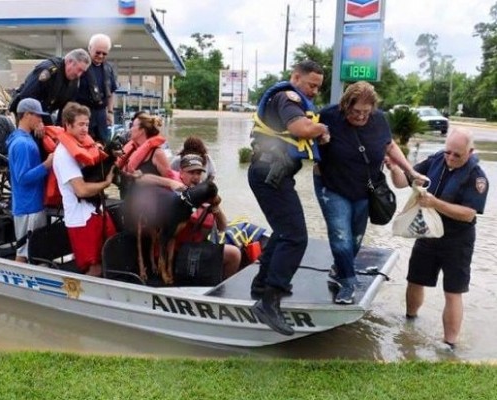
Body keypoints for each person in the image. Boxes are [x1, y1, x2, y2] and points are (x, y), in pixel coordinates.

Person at [314, 81, 427, 305]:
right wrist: (319, 141)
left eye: (366, 112)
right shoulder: (328, 115)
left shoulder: (378, 119)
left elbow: (389, 145)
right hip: (332, 186)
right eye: (356, 111)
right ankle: (347, 282)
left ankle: (340, 268)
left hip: (365, 188)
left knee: (355, 238)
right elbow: (305, 136)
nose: (361, 117)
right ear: (346, 106)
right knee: (341, 237)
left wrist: (410, 170)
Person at [247, 60, 330, 335]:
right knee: (295, 236)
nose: (315, 91)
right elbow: (301, 130)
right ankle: (269, 301)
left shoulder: (293, 99)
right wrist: (322, 129)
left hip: (272, 173)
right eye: (311, 85)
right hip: (269, 172)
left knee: (284, 232)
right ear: (296, 77)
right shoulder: (288, 98)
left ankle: (262, 284)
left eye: (318, 86)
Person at [389, 128, 488, 350]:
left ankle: (449, 345)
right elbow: (403, 182)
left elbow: (468, 213)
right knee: (414, 279)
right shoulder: (435, 161)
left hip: (458, 240)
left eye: (457, 155)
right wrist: (395, 168)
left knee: (453, 291)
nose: (451, 158)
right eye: (448, 152)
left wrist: (436, 204)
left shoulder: (477, 177)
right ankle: (410, 321)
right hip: (428, 233)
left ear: (470, 152)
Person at [136, 154, 241, 280]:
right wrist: (170, 182)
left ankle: (219, 288)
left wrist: (216, 209)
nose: (196, 177)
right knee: (233, 254)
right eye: (191, 172)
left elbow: (223, 227)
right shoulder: (173, 185)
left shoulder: (203, 192)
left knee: (236, 252)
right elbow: (140, 179)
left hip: (197, 247)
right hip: (177, 251)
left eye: (198, 173)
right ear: (181, 173)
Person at [52, 102, 116, 276]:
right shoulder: (64, 154)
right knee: (94, 267)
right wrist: (106, 183)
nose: (85, 129)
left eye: (87, 124)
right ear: (68, 124)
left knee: (110, 258)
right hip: (81, 217)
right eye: (80, 124)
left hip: (96, 210)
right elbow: (80, 190)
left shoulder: (84, 146)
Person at [6, 98, 54, 263]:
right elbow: (22, 177)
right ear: (26, 115)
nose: (41, 120)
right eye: (38, 116)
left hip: (28, 204)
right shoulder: (22, 144)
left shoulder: (22, 139)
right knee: (25, 252)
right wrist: (46, 165)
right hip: (29, 206)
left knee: (26, 250)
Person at [9, 48, 91, 124]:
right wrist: (38, 121)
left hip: (45, 113)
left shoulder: (74, 82)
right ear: (69, 61)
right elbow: (27, 96)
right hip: (25, 114)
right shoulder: (49, 70)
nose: (79, 75)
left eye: (83, 72)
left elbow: (66, 110)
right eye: (79, 70)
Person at [115, 112, 172, 197]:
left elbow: (170, 182)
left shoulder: (157, 153)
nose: (130, 129)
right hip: (128, 203)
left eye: (133, 126)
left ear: (142, 130)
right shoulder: (131, 150)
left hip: (150, 203)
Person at [74, 34, 118, 144]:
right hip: (82, 112)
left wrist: (110, 112)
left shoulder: (108, 68)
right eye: (98, 52)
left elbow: (111, 92)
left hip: (101, 114)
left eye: (104, 53)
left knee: (103, 144)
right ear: (89, 48)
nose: (101, 56)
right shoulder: (81, 65)